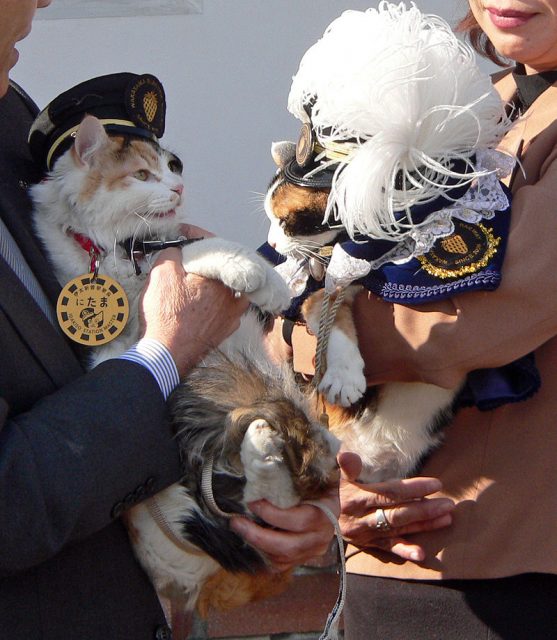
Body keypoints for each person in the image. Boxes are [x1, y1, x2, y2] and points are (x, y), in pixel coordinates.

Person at [0, 2, 337, 638]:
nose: (43, 2)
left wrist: (280, 505)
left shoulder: (13, 113)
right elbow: (13, 501)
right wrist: (165, 354)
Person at [276, 0, 557, 637]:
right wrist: (336, 481)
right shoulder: (456, 99)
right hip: (391, 552)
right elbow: (298, 254)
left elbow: (479, 318)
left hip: (516, 568)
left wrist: (317, 332)